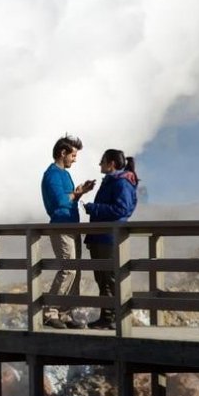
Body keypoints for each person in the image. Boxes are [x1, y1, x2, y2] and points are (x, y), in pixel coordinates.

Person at [41, 135, 96, 329]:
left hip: (71, 226)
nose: (75, 158)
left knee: (75, 270)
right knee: (68, 268)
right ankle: (49, 311)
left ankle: (64, 314)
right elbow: (60, 201)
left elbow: (68, 198)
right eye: (73, 155)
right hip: (61, 226)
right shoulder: (53, 175)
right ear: (62, 153)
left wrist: (81, 191)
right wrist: (78, 193)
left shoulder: (64, 174)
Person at [82, 149, 139, 329]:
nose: (100, 164)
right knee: (103, 279)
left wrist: (94, 208)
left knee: (110, 279)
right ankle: (107, 317)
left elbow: (122, 210)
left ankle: (115, 318)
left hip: (109, 238)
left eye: (102, 161)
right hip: (102, 237)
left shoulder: (121, 183)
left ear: (111, 163)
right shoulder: (113, 181)